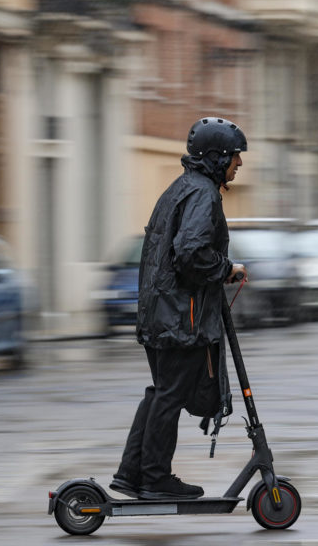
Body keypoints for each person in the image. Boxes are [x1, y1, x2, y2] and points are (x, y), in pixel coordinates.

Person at [111, 117, 248, 500]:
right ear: (218, 158)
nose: (239, 164)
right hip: (179, 317)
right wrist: (227, 269)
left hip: (161, 313)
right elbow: (190, 253)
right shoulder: (202, 193)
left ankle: (131, 474)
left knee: (161, 393)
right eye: (235, 157)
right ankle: (154, 478)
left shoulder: (180, 188)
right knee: (169, 395)